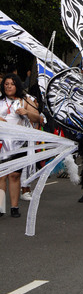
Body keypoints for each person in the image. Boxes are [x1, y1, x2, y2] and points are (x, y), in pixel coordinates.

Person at [0, 73, 40, 218]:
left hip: (19, 143)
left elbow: (39, 118)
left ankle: (14, 207)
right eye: (6, 84)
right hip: (2, 142)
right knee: (1, 174)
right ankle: (0, 207)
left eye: (11, 84)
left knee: (14, 175)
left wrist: (27, 112)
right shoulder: (0, 101)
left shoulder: (25, 100)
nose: (8, 86)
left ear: (17, 85)